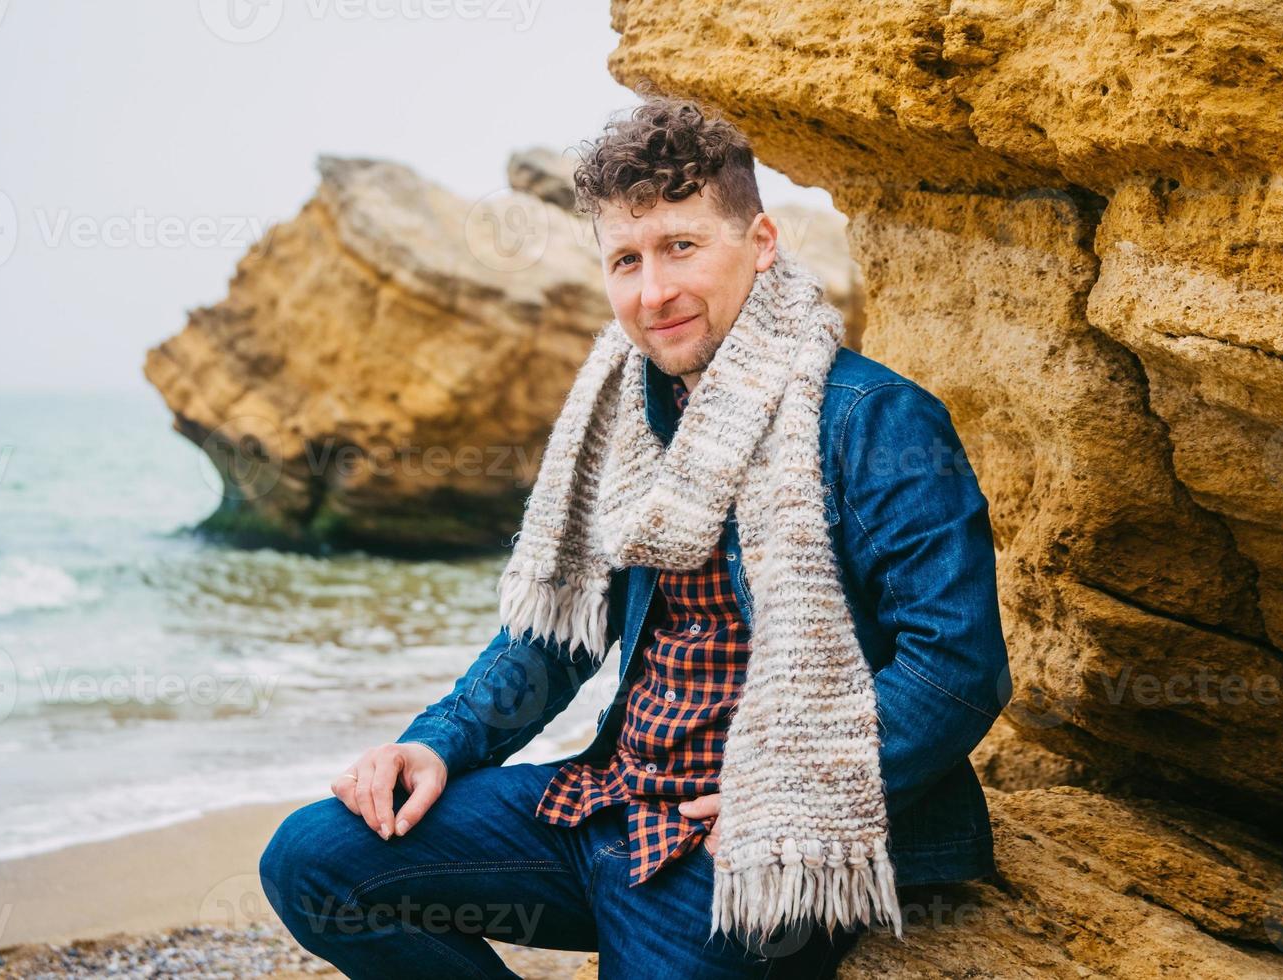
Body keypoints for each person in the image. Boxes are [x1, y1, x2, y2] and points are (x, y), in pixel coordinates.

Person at [260, 93, 1011, 979]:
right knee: (314, 860)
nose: (652, 293)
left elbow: (957, 665)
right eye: (626, 259)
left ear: (760, 246)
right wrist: (434, 744)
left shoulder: (876, 420)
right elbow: (553, 641)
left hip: (750, 846)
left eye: (681, 247)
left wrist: (795, 799)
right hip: (610, 803)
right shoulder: (624, 418)